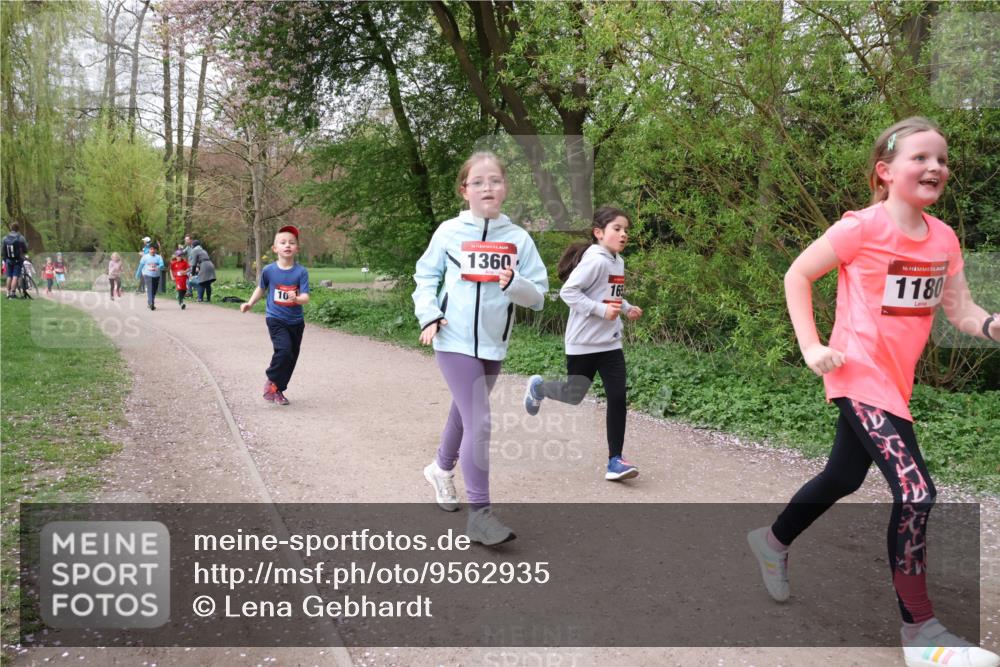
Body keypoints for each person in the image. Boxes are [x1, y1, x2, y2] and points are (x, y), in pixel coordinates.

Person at [746, 117, 1000, 667]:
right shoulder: (860, 228)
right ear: (885, 172)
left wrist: (992, 325)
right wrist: (812, 347)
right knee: (916, 491)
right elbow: (797, 274)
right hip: (856, 373)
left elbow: (958, 310)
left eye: (941, 158)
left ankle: (772, 540)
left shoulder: (944, 239)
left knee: (843, 475)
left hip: (895, 384)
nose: (935, 166)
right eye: (920, 158)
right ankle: (921, 633)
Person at [412, 151, 548, 546]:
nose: (487, 187)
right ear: (464, 190)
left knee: (464, 413)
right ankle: (481, 516)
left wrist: (513, 284)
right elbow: (425, 276)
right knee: (481, 422)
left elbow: (538, 296)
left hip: (493, 343)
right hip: (452, 338)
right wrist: (429, 315)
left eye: (495, 180)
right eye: (478, 181)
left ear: (505, 188)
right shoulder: (449, 232)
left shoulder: (518, 238)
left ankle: (440, 469)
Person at [523, 206, 644, 481]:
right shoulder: (596, 261)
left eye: (626, 230)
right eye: (617, 229)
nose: (623, 234)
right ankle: (539, 388)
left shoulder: (617, 262)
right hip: (583, 343)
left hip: (610, 343)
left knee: (617, 398)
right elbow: (569, 292)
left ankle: (615, 460)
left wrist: (626, 307)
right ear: (599, 233)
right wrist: (601, 311)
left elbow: (609, 293)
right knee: (574, 395)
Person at [240, 225, 310, 405]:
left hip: (296, 321)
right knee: (284, 351)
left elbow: (305, 296)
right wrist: (250, 303)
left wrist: (298, 299)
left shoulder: (301, 272)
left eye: (292, 243)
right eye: (283, 242)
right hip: (275, 318)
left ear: (297, 248)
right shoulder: (269, 270)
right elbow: (261, 288)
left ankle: (277, 389)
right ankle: (271, 378)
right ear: (275, 248)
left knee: (291, 358)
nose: (287, 245)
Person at [135, 243, 164, 310]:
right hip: (147, 275)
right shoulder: (145, 257)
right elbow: (140, 266)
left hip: (156, 275)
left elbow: (162, 265)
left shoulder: (159, 257)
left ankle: (150, 302)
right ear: (149, 250)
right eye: (151, 249)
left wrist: (158, 266)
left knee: (154, 290)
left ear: (156, 250)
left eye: (154, 249)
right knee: (150, 289)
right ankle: (151, 303)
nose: (152, 250)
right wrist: (138, 274)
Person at [3, 223, 29, 299]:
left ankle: (7, 293)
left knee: (9, 276)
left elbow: (2, 250)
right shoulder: (21, 238)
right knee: (15, 276)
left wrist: (5, 259)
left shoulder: (5, 238)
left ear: (11, 229)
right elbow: (25, 249)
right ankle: (12, 293)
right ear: (18, 229)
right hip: (17, 260)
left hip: (8, 260)